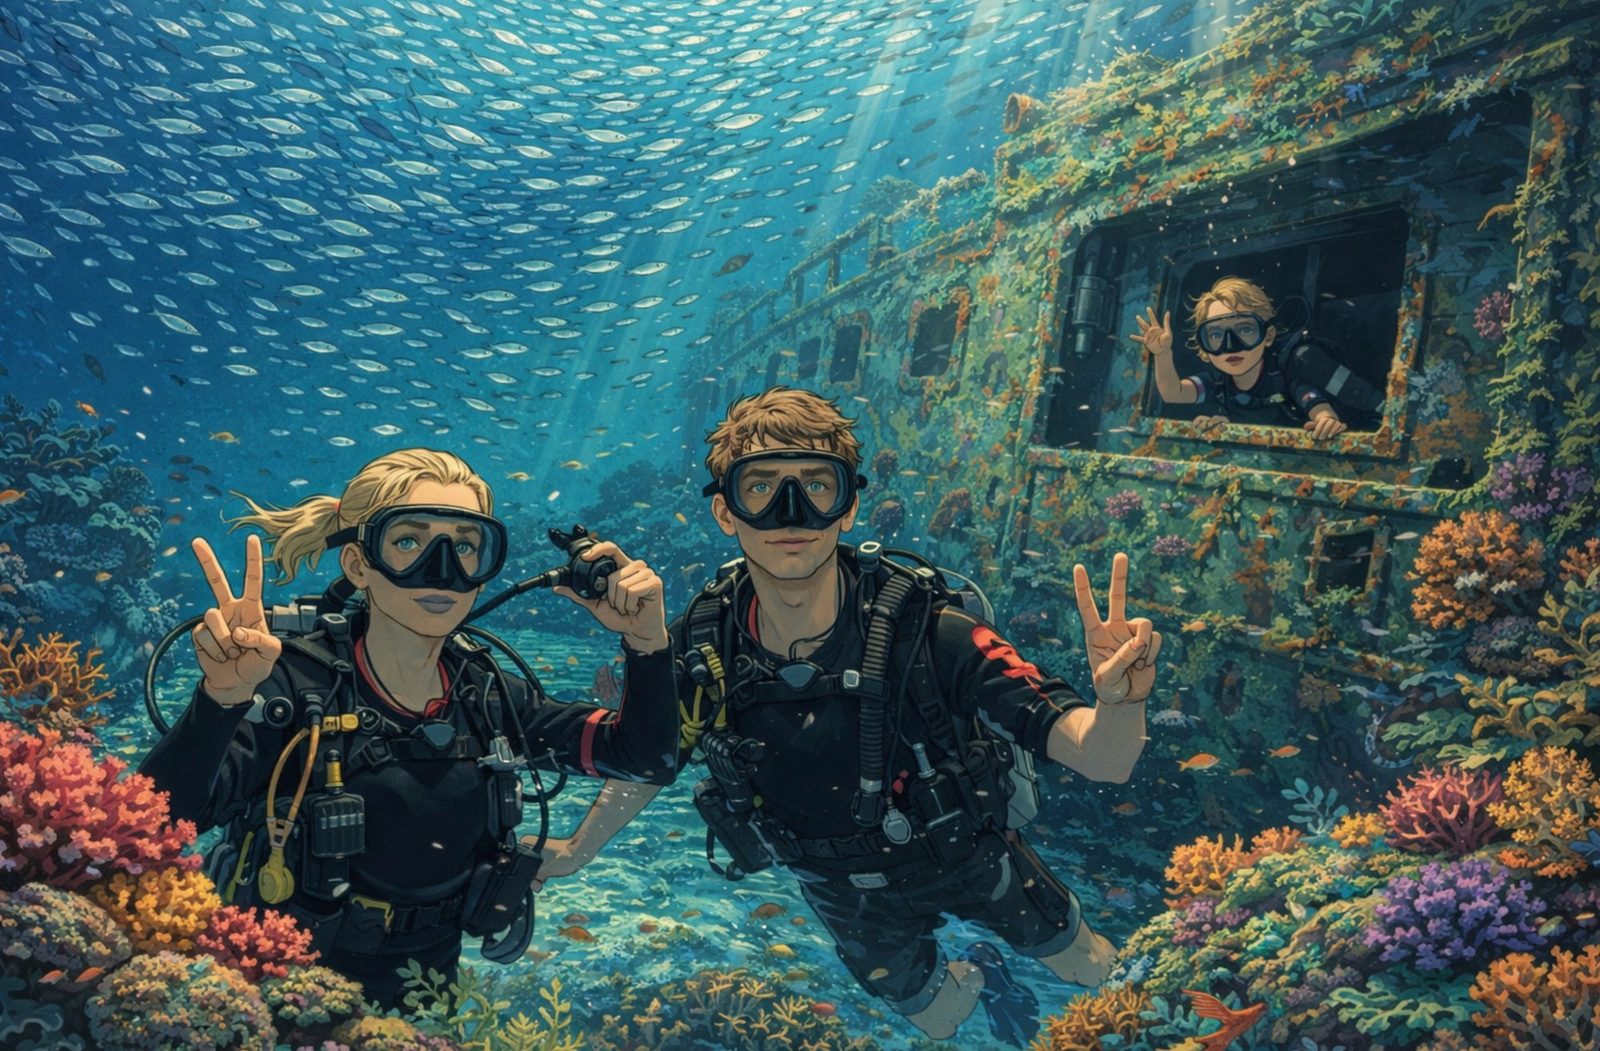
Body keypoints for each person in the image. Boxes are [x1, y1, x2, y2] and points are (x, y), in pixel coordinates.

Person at [533, 387, 1162, 1047]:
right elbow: (655, 759)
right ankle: (983, 975)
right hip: (839, 885)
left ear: (850, 502)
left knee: (1090, 963)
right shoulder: (706, 645)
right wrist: (578, 850)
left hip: (965, 850)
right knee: (941, 1017)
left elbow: (1104, 757)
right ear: (724, 511)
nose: (790, 511)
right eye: (761, 489)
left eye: (816, 484)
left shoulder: (929, 629)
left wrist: (1122, 703)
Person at [139, 448, 677, 1009]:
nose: (442, 569)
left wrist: (647, 644)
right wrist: (222, 699)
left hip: (429, 986)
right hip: (279, 982)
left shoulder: (489, 694)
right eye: (408, 542)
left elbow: (644, 758)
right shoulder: (297, 686)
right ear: (358, 564)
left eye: (465, 546)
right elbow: (159, 823)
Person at [1133, 275, 1351, 440]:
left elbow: (1316, 406)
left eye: (1245, 330)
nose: (1231, 346)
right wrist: (1162, 354)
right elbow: (1174, 393)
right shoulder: (1217, 382)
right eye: (1216, 335)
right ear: (1204, 347)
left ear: (1268, 336)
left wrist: (1326, 421)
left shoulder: (1283, 376)